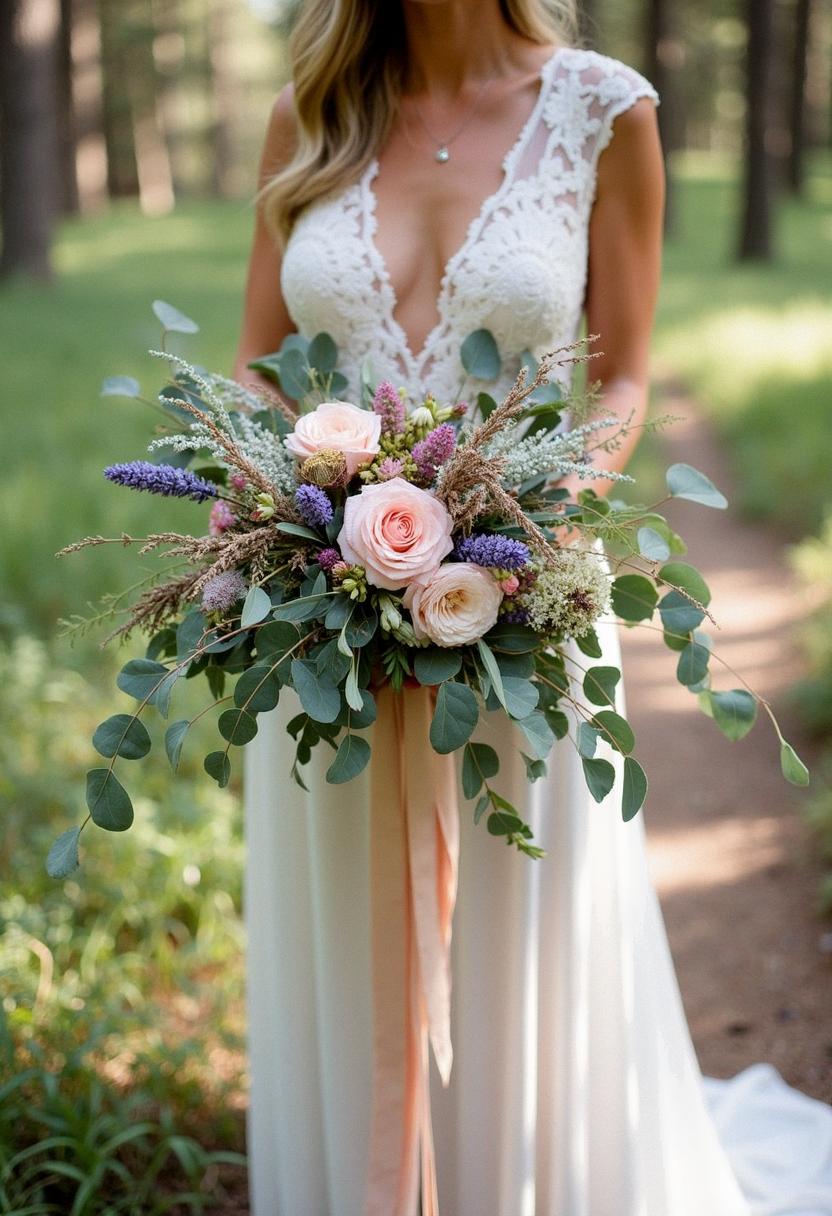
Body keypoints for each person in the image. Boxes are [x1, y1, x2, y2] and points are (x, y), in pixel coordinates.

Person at [233, 2, 832, 1214]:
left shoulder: (603, 109)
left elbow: (619, 366)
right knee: (345, 939)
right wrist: (268, 498)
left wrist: (544, 523)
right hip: (319, 619)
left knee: (522, 938)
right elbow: (257, 357)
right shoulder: (313, 109)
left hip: (514, 611)